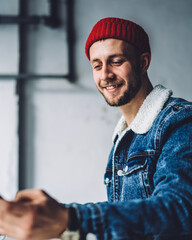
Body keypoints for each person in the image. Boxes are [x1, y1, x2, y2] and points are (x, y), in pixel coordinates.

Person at [0, 17, 192, 240]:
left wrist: (71, 219)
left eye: (116, 61)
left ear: (143, 62)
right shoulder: (124, 137)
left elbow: (179, 210)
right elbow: (128, 219)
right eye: (97, 65)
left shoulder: (180, 121)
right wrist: (51, 220)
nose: (105, 75)